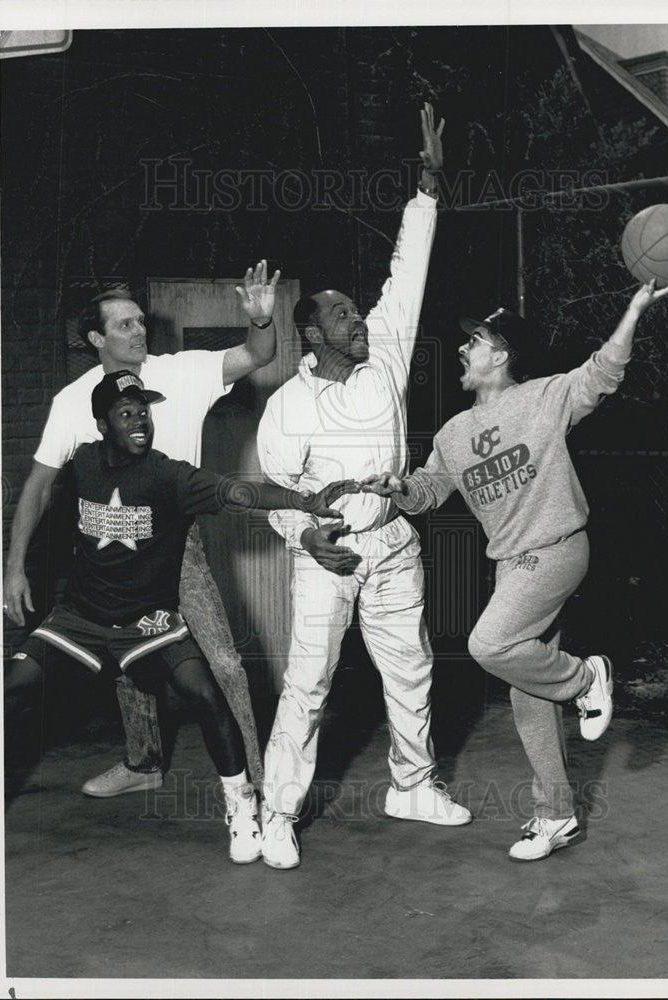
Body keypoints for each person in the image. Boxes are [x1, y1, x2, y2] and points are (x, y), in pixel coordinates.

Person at [361, 279, 668, 862]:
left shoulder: (544, 398)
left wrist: (633, 307)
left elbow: (603, 372)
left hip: (557, 548)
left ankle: (588, 679)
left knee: (489, 643)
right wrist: (399, 488)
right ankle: (555, 815)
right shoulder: (453, 434)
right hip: (511, 565)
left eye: (476, 341)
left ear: (503, 354)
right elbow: (430, 491)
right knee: (526, 694)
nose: (463, 349)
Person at [4, 371, 354, 863]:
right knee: (12, 688)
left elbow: (237, 493)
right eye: (126, 414)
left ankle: (242, 807)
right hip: (80, 617)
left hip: (147, 621)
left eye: (144, 411)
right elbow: (53, 517)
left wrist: (301, 500)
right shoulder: (82, 463)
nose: (140, 422)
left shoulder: (168, 475)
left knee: (206, 693)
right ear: (101, 425)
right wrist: (23, 572)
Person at [256, 103, 471, 871]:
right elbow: (276, 493)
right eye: (342, 314)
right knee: (307, 685)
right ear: (311, 334)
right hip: (326, 558)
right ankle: (277, 814)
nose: (359, 319)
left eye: (357, 310)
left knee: (411, 667)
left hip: (392, 546)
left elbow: (407, 268)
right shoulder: (287, 406)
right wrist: (302, 536)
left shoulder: (384, 356)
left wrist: (429, 183)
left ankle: (412, 784)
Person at [3, 261, 279, 796]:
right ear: (95, 338)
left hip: (179, 545)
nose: (138, 330)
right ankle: (143, 764)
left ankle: (259, 783)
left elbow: (257, 355)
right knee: (126, 660)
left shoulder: (181, 371)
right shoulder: (73, 401)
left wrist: (261, 321)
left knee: (219, 659)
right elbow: (37, 487)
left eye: (139, 321)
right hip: (110, 543)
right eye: (124, 324)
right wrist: (14, 567)